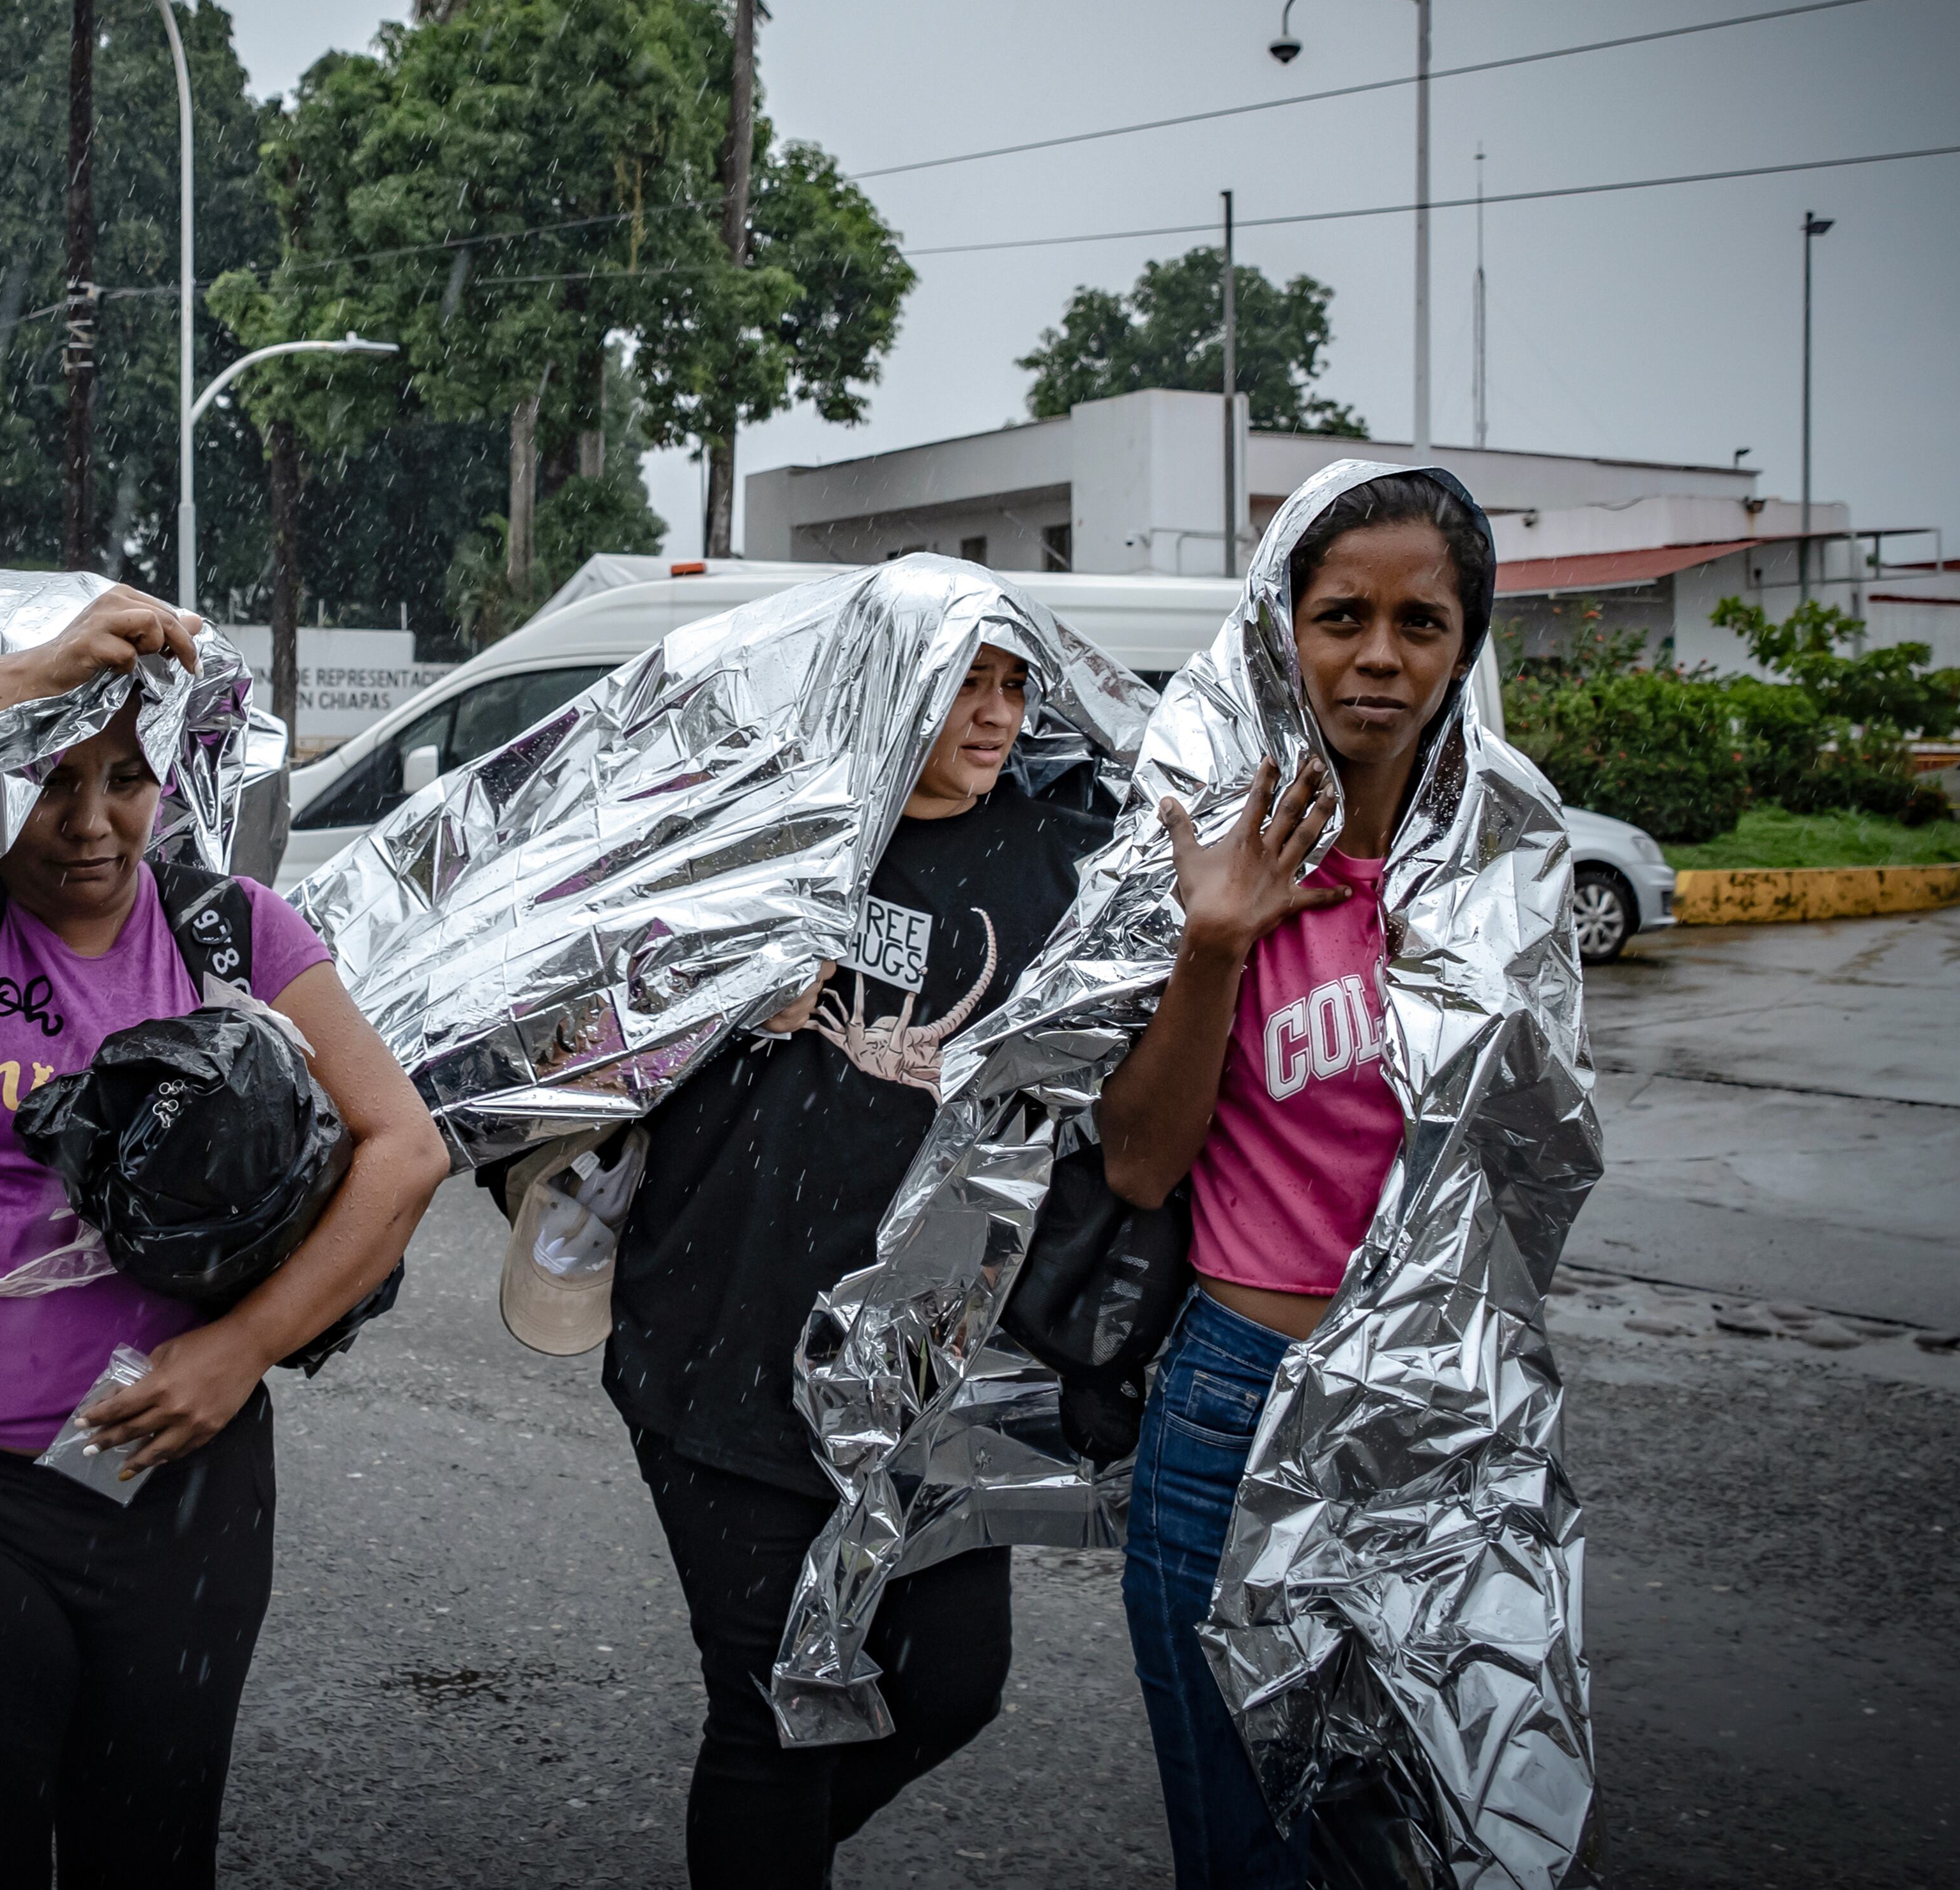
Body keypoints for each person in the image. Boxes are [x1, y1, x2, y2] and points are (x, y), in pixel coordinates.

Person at [0, 584, 446, 1890]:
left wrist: (239, 1350)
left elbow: (403, 1150)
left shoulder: (233, 930)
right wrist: (33, 673)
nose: (90, 824)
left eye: (126, 779)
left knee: (148, 1855)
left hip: (171, 1495)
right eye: (49, 780)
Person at [602, 640, 1103, 1890]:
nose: (994, 715)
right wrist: (716, 1001)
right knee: (778, 1713)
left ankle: (763, 1851)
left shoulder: (1057, 859)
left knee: (950, 1685)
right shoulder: (772, 838)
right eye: (961, 685)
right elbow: (588, 1026)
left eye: (1012, 685)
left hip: (936, 1368)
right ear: (893, 691)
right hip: (726, 1345)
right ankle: (764, 1839)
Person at [1092, 470, 1496, 1889]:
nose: (1379, 654)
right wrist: (1211, 944)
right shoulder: (1213, 850)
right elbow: (1137, 1165)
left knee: (1407, 1843)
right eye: (1341, 616)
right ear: (1283, 628)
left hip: (1437, 1428)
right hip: (1233, 1411)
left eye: (1420, 620)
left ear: (1463, 643)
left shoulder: (1504, 880)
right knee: (1249, 1847)